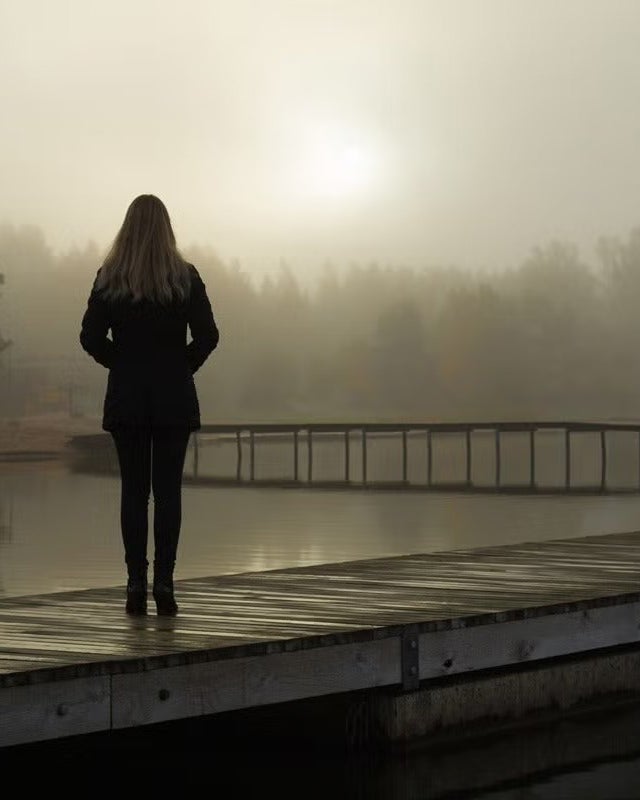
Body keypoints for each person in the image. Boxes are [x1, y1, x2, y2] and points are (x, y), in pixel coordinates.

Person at [79, 194, 219, 616]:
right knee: (169, 493)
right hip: (173, 398)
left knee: (134, 493)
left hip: (128, 400)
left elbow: (88, 337)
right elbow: (209, 336)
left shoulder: (110, 278)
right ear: (166, 228)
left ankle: (134, 585)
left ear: (127, 228)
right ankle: (165, 585)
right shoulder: (185, 277)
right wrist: (181, 367)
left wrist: (120, 365)